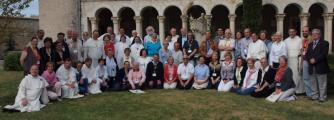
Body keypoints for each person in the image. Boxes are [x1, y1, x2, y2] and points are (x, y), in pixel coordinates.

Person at [306, 29, 329, 102]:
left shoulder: (325, 43)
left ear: (319, 34)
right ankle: (315, 96)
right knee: (313, 82)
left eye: (316, 34)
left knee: (322, 83)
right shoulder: (310, 44)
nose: (314, 35)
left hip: (320, 66)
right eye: (313, 34)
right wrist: (309, 59)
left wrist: (315, 60)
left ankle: (322, 97)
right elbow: (307, 54)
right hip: (311, 66)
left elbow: (324, 54)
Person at [284, 28, 304, 94]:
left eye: (293, 32)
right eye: (290, 32)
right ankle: (291, 89)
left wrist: (301, 62)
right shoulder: (286, 40)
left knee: (297, 75)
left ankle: (298, 90)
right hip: (289, 60)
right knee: (290, 75)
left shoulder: (299, 40)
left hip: (296, 60)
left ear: (295, 32)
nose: (291, 33)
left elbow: (301, 51)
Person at [301, 26, 313, 98]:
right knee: (305, 78)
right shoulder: (303, 40)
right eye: (303, 31)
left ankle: (313, 94)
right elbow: (303, 52)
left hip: (310, 61)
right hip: (305, 61)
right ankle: (309, 94)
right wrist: (301, 63)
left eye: (306, 31)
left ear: (309, 32)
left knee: (312, 78)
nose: (304, 32)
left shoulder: (312, 39)